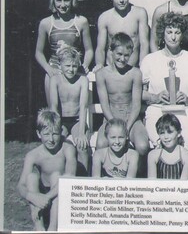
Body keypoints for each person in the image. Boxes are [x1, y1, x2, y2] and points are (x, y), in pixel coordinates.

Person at [141, 12, 188, 150]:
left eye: (177, 32)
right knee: (161, 142)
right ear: (163, 33)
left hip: (186, 111)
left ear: (183, 35)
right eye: (169, 32)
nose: (173, 37)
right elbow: (139, 93)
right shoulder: (150, 60)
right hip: (158, 110)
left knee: (185, 144)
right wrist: (155, 97)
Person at [95, 33, 149, 172]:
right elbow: (104, 105)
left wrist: (126, 128)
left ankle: (139, 177)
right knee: (101, 144)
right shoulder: (101, 74)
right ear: (110, 51)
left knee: (142, 146)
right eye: (119, 54)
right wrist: (113, 125)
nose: (122, 58)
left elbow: (136, 106)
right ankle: (106, 176)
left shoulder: (135, 73)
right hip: (110, 118)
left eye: (127, 55)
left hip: (131, 118)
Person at [17, 109, 76, 231]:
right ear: (39, 134)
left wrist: (47, 197)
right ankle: (39, 227)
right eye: (46, 134)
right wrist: (33, 197)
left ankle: (52, 228)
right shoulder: (33, 155)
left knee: (56, 175)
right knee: (31, 177)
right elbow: (20, 186)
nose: (51, 139)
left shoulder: (67, 148)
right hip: (42, 198)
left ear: (61, 132)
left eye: (55, 134)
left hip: (62, 196)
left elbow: (69, 177)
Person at [35, 0, 93, 105]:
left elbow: (89, 50)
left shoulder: (81, 21)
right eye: (59, 0)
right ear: (53, 1)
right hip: (54, 71)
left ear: (72, 0)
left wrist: (84, 66)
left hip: (75, 71)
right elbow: (38, 53)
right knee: (54, 114)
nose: (62, 5)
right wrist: (48, 69)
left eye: (66, 0)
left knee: (76, 111)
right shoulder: (46, 23)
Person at [94, 0, 149, 71]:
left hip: (133, 68)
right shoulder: (104, 17)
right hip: (111, 68)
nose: (121, 0)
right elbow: (100, 48)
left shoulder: (140, 13)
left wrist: (143, 65)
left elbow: (144, 43)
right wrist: (99, 64)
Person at [50, 46, 90, 175]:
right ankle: (58, 176)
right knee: (56, 142)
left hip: (78, 120)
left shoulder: (82, 80)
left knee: (82, 145)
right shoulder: (55, 80)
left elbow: (83, 106)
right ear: (60, 65)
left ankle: (84, 178)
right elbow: (54, 106)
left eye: (74, 66)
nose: (71, 69)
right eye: (67, 66)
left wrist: (82, 133)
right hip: (60, 120)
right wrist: (55, 128)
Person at [148, 113, 188, 179]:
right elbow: (152, 184)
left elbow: (184, 185)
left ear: (179, 133)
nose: (166, 137)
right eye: (162, 133)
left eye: (170, 132)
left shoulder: (187, 157)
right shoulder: (153, 155)